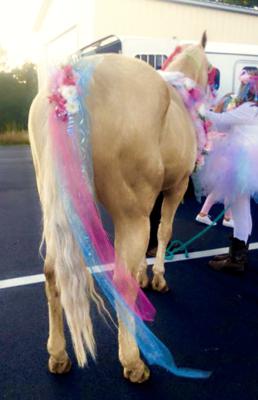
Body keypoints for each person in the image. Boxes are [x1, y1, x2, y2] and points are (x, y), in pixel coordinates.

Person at [199, 69, 258, 271]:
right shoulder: (251, 109)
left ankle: (236, 259)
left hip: (241, 163)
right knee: (242, 209)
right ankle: (237, 253)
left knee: (241, 210)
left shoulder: (250, 108)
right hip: (246, 163)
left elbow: (222, 121)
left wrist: (199, 109)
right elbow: (228, 126)